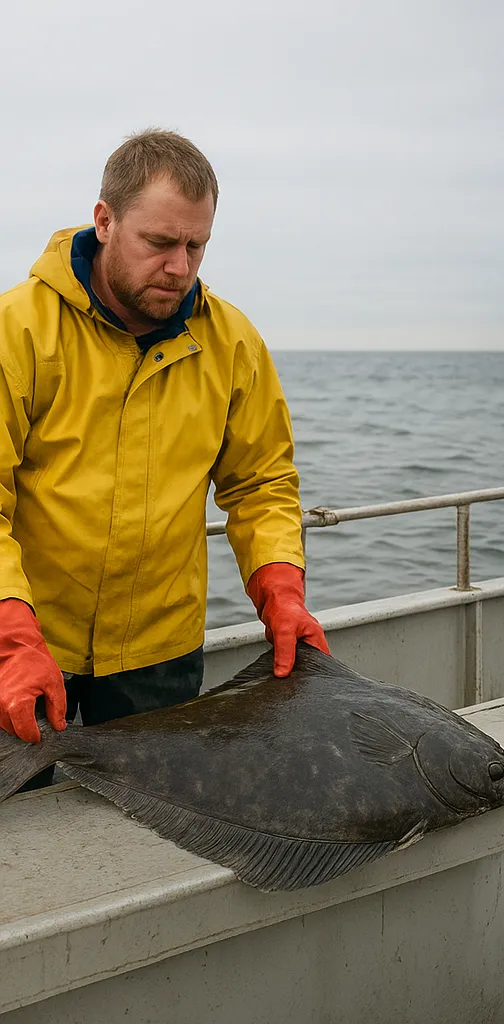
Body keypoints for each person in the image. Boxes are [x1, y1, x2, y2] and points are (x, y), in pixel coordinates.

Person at [0, 129, 330, 767]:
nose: (179, 266)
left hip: (161, 660)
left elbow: (259, 483)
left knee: (153, 851)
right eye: (159, 243)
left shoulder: (232, 342)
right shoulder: (16, 333)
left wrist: (282, 592)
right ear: (105, 221)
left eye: (196, 245)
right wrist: (13, 640)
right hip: (27, 645)